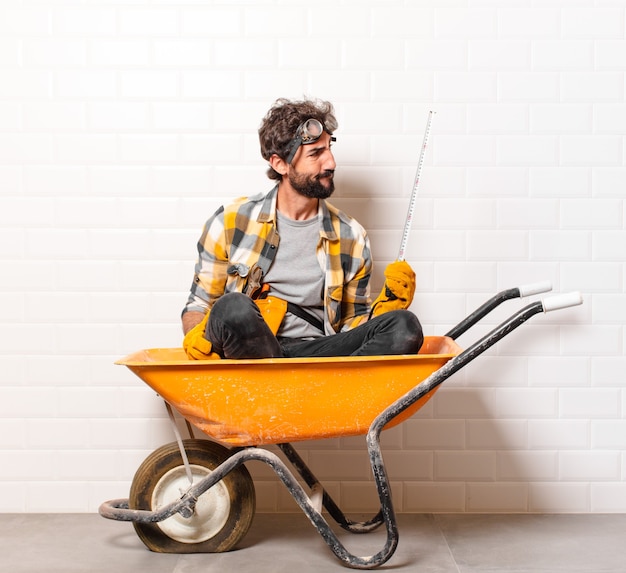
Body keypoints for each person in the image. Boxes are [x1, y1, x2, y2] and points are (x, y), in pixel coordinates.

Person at [181, 97, 423, 360]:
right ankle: (283, 386)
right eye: (315, 153)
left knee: (403, 326)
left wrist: (385, 308)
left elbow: (354, 326)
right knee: (232, 308)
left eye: (329, 149)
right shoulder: (230, 222)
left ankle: (317, 390)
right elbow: (199, 305)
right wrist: (195, 334)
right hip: (249, 352)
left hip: (315, 355)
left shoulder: (351, 236)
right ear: (279, 164)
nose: (330, 163)